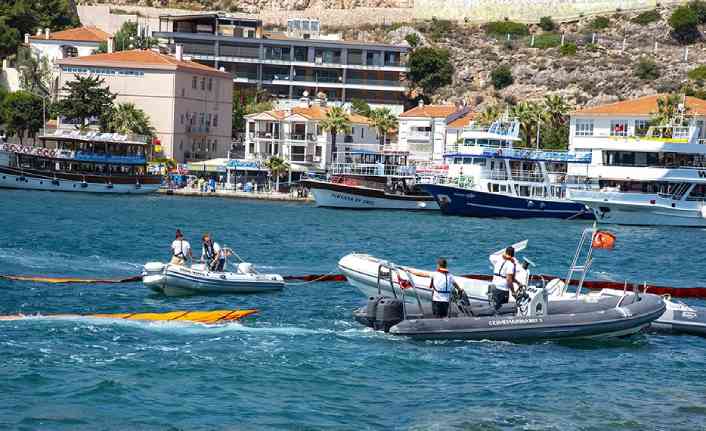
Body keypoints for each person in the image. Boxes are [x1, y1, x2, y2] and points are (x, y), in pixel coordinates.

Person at [489, 246, 518, 312]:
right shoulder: (510, 264)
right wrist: (513, 292)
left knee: (494, 307)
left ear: (505, 252)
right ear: (513, 254)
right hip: (503, 289)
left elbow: (491, 256)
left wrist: (518, 283)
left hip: (494, 285)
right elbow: (509, 279)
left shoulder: (498, 258)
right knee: (502, 310)